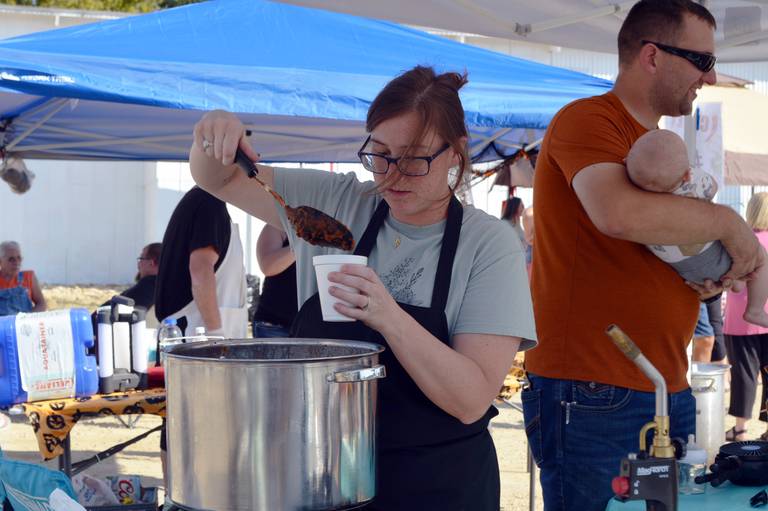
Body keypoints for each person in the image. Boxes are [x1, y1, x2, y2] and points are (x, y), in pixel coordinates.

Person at [190, 65, 537, 509]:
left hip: (438, 486)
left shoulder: (489, 243)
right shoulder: (338, 202)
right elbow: (216, 178)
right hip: (324, 476)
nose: (392, 176)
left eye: (414, 159)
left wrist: (388, 316)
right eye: (380, 155)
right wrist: (211, 133)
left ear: (456, 153)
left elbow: (470, 399)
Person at [524, 2, 763, 510]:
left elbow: (647, 245)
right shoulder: (587, 119)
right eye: (702, 61)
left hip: (658, 385)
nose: (712, 75)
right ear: (652, 55)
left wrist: (705, 275)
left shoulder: (653, 144)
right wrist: (727, 223)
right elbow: (616, 212)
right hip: (593, 390)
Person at [625, 129, 768, 327]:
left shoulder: (634, 195)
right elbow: (713, 187)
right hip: (711, 258)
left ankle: (734, 282)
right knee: (760, 256)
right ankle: (755, 310)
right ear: (686, 173)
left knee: (733, 274)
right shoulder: (690, 184)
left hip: (683, 271)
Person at [154, 187, 248, 338]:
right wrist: (215, 333)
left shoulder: (205, 201)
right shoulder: (209, 202)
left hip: (203, 337)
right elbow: (201, 269)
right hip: (198, 339)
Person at [723, 192, 768, 442]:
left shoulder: (741, 241)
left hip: (739, 321)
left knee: (744, 376)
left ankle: (740, 430)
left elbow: (733, 284)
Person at [252, 224, 297, 338]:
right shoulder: (277, 225)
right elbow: (267, 266)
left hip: (312, 324)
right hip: (275, 324)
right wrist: (301, 245)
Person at [0, 240, 46, 315]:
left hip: (23, 324)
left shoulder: (29, 277)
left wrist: (28, 318)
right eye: (11, 259)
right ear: (0, 261)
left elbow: (41, 304)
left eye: (19, 258)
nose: (16, 262)